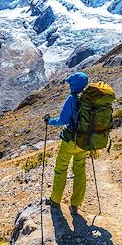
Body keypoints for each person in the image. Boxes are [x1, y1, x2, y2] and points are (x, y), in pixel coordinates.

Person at [44, 71, 89, 214]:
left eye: (70, 83)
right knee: (80, 171)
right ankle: (75, 205)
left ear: (74, 84)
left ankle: (55, 201)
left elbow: (63, 120)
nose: (69, 85)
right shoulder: (90, 99)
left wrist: (49, 121)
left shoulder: (72, 98)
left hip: (70, 141)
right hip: (85, 141)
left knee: (61, 169)